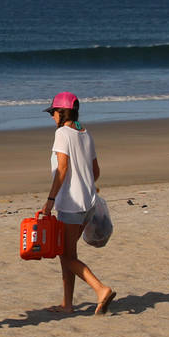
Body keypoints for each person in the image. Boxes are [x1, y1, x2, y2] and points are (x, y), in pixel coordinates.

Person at [40, 92, 116, 315]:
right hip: (89, 203)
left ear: (62, 112)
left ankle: (101, 289)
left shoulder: (62, 134)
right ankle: (67, 304)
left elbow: (62, 169)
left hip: (71, 205)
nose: (52, 116)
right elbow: (96, 172)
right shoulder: (85, 132)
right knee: (68, 254)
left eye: (53, 112)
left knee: (66, 255)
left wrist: (50, 201)